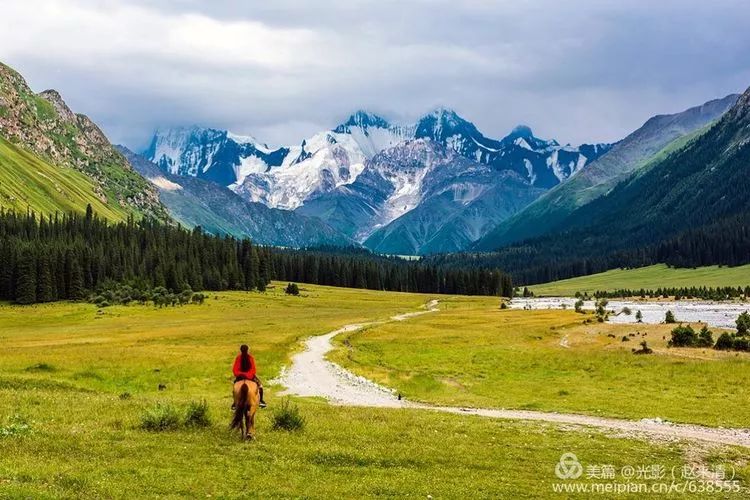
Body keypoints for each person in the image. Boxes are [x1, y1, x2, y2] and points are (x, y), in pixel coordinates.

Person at [232, 344, 266, 408]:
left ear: (240, 350)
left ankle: (234, 403)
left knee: (234, 387)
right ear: (248, 350)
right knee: (260, 386)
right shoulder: (250, 358)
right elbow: (253, 369)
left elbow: (235, 369)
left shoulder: (238, 358)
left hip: (240, 376)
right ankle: (261, 401)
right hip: (250, 376)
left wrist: (240, 374)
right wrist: (248, 375)